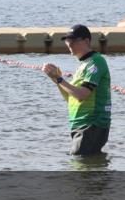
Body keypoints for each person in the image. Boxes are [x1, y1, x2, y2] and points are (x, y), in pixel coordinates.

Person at [41, 24, 111, 156]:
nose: (69, 44)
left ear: (87, 41)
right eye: (68, 41)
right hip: (80, 125)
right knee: (87, 168)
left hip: (91, 124)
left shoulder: (95, 62)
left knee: (79, 166)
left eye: (74, 40)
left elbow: (82, 95)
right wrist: (55, 78)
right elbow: (70, 98)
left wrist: (60, 80)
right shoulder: (83, 65)